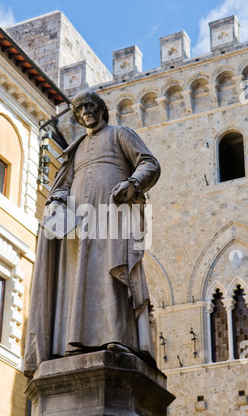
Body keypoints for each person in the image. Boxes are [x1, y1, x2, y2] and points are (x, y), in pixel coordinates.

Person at [24, 90, 161, 378]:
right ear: (76, 116)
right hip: (77, 227)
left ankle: (117, 337)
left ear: (101, 110)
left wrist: (133, 183)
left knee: (111, 274)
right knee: (77, 281)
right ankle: (74, 341)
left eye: (90, 106)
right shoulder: (74, 150)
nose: (86, 111)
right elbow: (62, 185)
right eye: (80, 109)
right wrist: (57, 202)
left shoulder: (119, 134)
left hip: (112, 216)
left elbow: (150, 163)